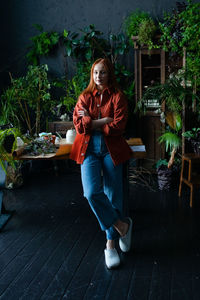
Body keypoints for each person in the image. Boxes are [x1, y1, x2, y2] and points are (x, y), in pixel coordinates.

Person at [70, 58, 133, 269]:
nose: (99, 76)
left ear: (109, 74)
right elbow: (79, 126)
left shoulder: (118, 97)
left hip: (111, 150)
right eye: (96, 72)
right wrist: (100, 122)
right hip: (88, 151)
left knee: (114, 194)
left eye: (103, 72)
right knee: (91, 192)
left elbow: (118, 126)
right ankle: (121, 225)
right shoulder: (84, 97)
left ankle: (110, 245)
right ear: (92, 74)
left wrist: (93, 123)